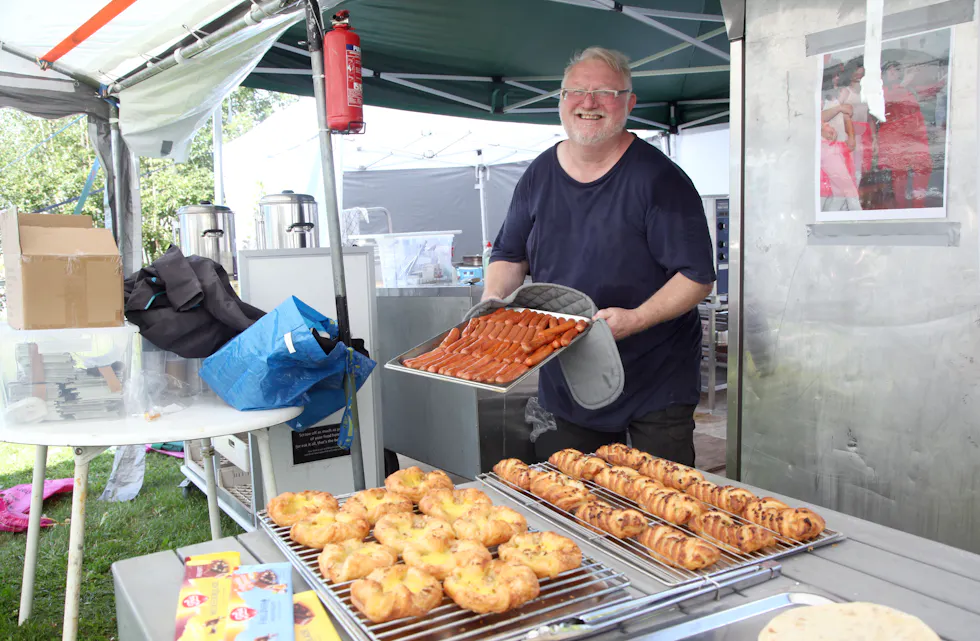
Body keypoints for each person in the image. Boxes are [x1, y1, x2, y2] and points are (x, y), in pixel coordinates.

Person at [484, 47, 715, 467]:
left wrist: (637, 318)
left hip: (655, 380)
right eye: (576, 91)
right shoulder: (539, 174)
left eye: (605, 92)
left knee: (657, 498)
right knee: (566, 490)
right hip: (568, 372)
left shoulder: (659, 179)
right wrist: (493, 300)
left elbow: (696, 276)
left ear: (629, 102)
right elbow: (509, 255)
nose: (588, 102)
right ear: (561, 100)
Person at [878, 60, 932, 209]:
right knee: (899, 175)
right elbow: (886, 102)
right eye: (890, 70)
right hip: (896, 138)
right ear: (884, 75)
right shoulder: (882, 90)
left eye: (896, 69)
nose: (893, 72)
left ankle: (918, 206)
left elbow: (928, 93)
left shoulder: (909, 89)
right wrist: (904, 83)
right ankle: (901, 208)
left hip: (915, 136)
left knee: (922, 170)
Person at [820, 65, 861, 212]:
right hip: (826, 146)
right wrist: (839, 108)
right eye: (834, 75)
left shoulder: (839, 93)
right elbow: (816, 118)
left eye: (838, 75)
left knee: (840, 192)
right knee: (846, 188)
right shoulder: (820, 96)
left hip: (839, 145)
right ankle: (857, 217)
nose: (837, 78)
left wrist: (851, 136)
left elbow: (847, 116)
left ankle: (831, 217)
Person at [839, 58, 873, 188]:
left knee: (859, 167)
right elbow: (837, 111)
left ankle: (854, 192)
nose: (859, 77)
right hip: (849, 133)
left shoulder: (866, 94)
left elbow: (869, 117)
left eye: (861, 74)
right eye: (856, 74)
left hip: (863, 134)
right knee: (848, 165)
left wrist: (874, 138)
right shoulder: (846, 91)